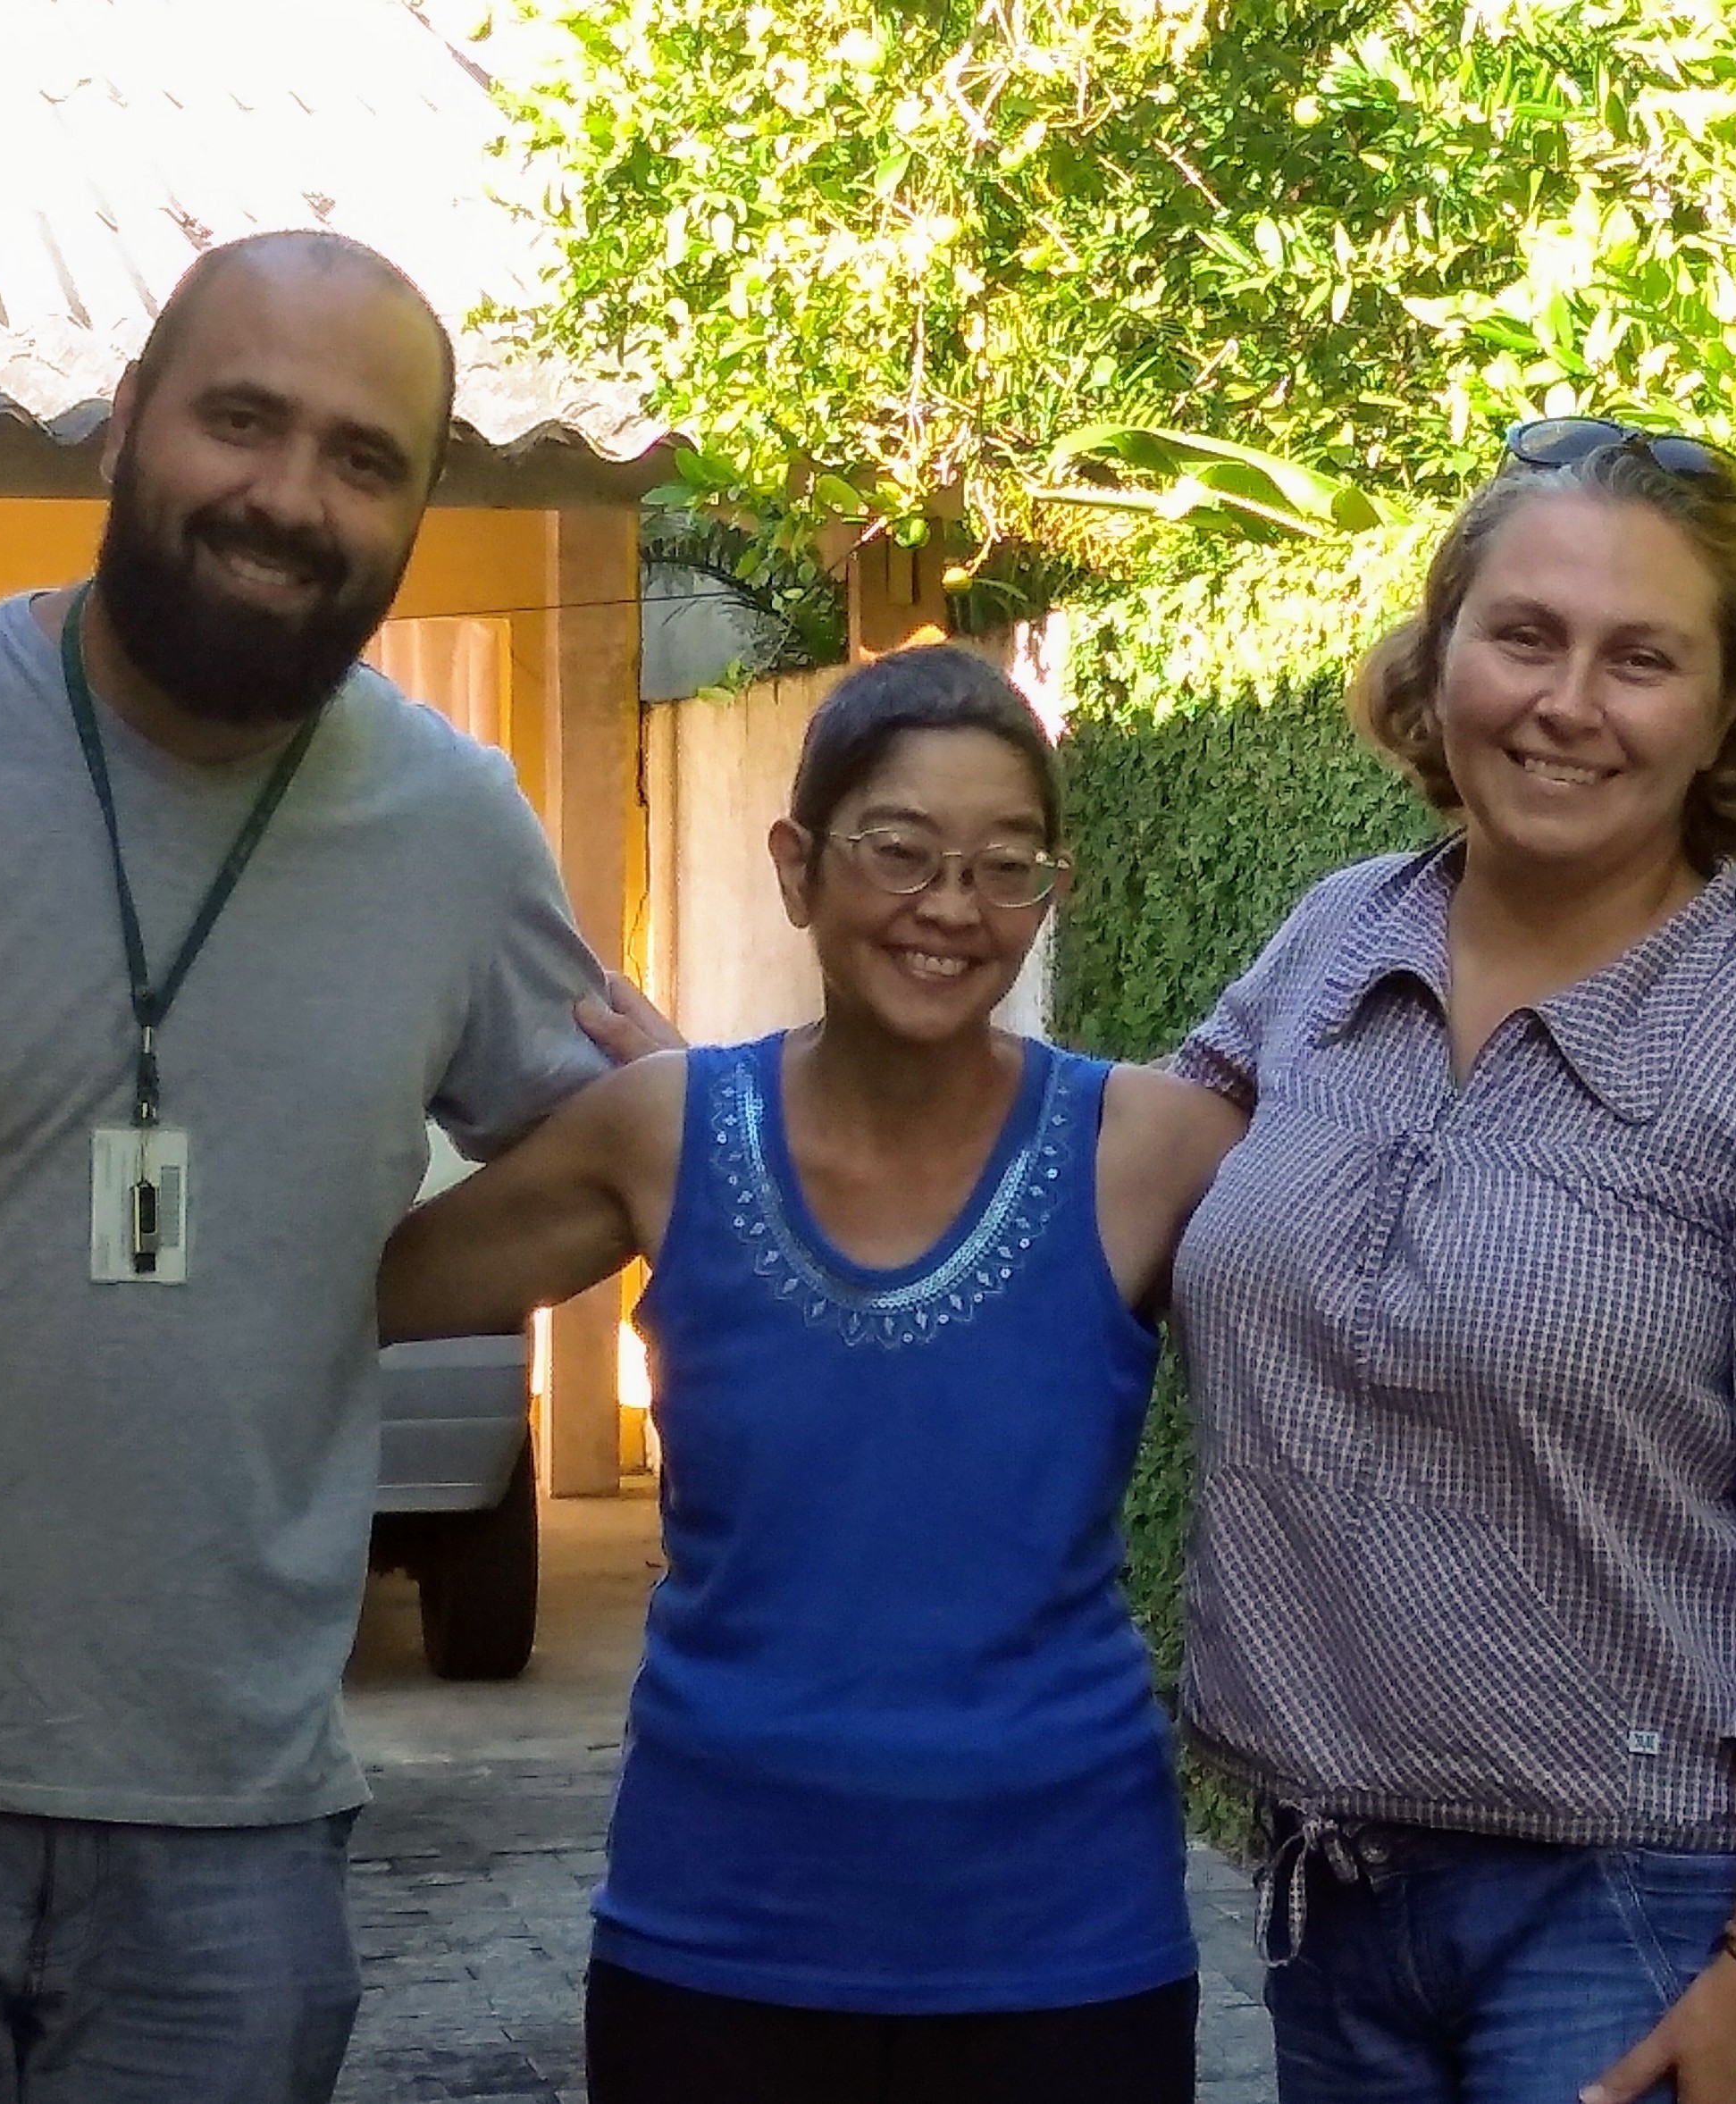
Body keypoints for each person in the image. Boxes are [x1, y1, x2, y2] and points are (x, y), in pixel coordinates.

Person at [0, 230, 616, 2100]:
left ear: (412, 505)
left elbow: (610, 1146)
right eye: (240, 418)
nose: (287, 497)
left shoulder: (459, 829)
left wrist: (341, 1275)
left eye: (362, 456)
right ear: (126, 422)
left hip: (229, 1821)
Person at [1159, 419, 1736, 2104]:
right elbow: (1118, 1162)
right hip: (1333, 1891)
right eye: (1523, 634)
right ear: (1438, 652)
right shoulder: (1333, 939)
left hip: (1645, 1911)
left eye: (1641, 658)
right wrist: (769, 1113)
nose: (1567, 702)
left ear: (1731, 710)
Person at [377, 645, 1247, 2104]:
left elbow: (1384, 1350)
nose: (952, 908)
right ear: (798, 866)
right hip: (718, 1939)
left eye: (1006, 865)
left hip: (1065, 1944)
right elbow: (343, 1305)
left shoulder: (1150, 1149)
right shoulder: (666, 1135)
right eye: (899, 851)